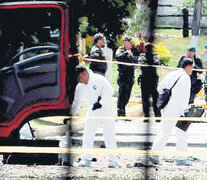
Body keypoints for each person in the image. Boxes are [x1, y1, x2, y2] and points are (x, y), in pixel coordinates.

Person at [70, 64, 118, 168]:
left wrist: (101, 102)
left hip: (107, 110)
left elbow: (110, 91)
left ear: (84, 74)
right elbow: (77, 102)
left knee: (109, 134)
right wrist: (71, 114)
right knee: (88, 134)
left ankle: (113, 160)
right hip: (93, 111)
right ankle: (85, 159)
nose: (78, 80)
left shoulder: (99, 79)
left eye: (79, 77)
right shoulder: (80, 87)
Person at [149, 58, 193, 166]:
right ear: (188, 66)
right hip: (179, 110)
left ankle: (155, 153)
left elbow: (159, 88)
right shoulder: (185, 77)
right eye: (192, 67)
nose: (192, 69)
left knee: (164, 131)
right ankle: (180, 158)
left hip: (167, 107)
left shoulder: (171, 74)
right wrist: (185, 111)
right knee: (183, 133)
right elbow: (184, 97)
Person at [115, 37, 137, 116]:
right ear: (125, 42)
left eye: (132, 42)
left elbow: (132, 65)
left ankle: (123, 111)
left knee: (127, 96)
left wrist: (133, 77)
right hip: (123, 76)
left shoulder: (131, 51)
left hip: (129, 77)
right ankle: (120, 113)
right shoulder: (121, 50)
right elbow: (117, 57)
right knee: (122, 95)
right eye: (130, 42)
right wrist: (125, 53)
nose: (131, 44)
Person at [138, 43, 161, 119]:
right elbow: (142, 65)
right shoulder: (142, 56)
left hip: (153, 81)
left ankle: (157, 115)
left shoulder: (155, 56)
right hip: (145, 80)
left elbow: (157, 63)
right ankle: (146, 116)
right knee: (145, 99)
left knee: (155, 99)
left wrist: (149, 64)